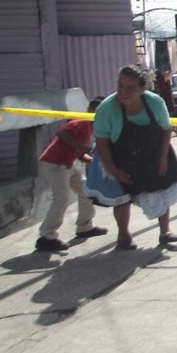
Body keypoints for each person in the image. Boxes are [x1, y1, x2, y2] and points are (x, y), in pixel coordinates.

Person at [92, 65, 177, 250]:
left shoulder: (155, 102)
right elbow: (102, 142)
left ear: (143, 89)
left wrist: (163, 158)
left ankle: (165, 233)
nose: (124, 92)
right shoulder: (106, 109)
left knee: (162, 188)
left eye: (130, 88)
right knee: (121, 197)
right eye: (120, 86)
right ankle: (123, 236)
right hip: (120, 156)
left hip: (154, 151)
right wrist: (114, 170)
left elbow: (166, 129)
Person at [35, 97, 108, 252]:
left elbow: (80, 154)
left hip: (67, 164)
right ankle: (46, 237)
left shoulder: (91, 128)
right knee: (61, 198)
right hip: (54, 163)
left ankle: (85, 227)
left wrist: (94, 161)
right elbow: (62, 132)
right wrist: (82, 146)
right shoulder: (81, 121)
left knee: (86, 190)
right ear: (90, 110)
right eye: (98, 111)